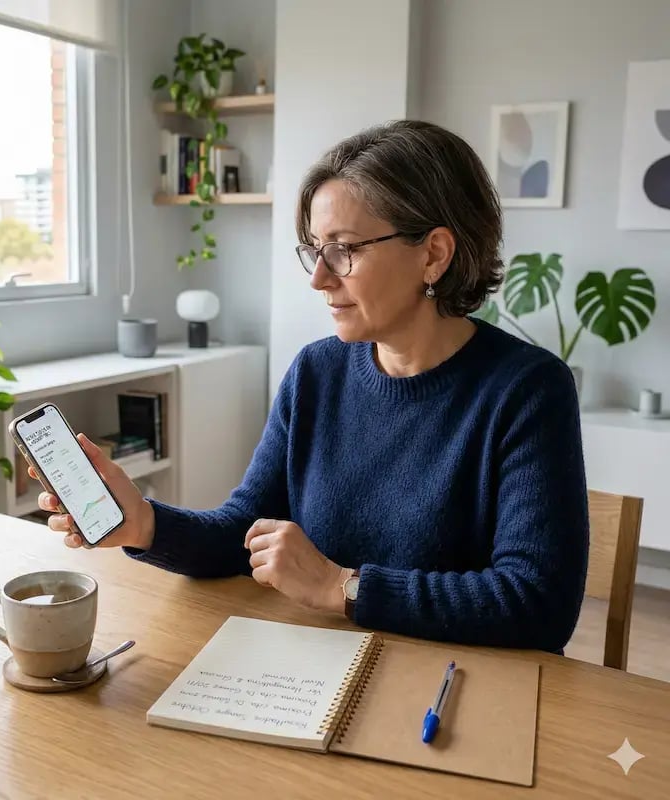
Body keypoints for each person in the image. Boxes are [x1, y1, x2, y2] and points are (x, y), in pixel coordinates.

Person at [34, 120, 589, 652]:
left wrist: (341, 587)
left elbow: (538, 604)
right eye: (315, 249)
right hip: (314, 669)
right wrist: (145, 523)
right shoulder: (316, 373)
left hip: (449, 692)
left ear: (433, 254)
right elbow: (245, 533)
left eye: (344, 250)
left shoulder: (527, 389)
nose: (319, 278)